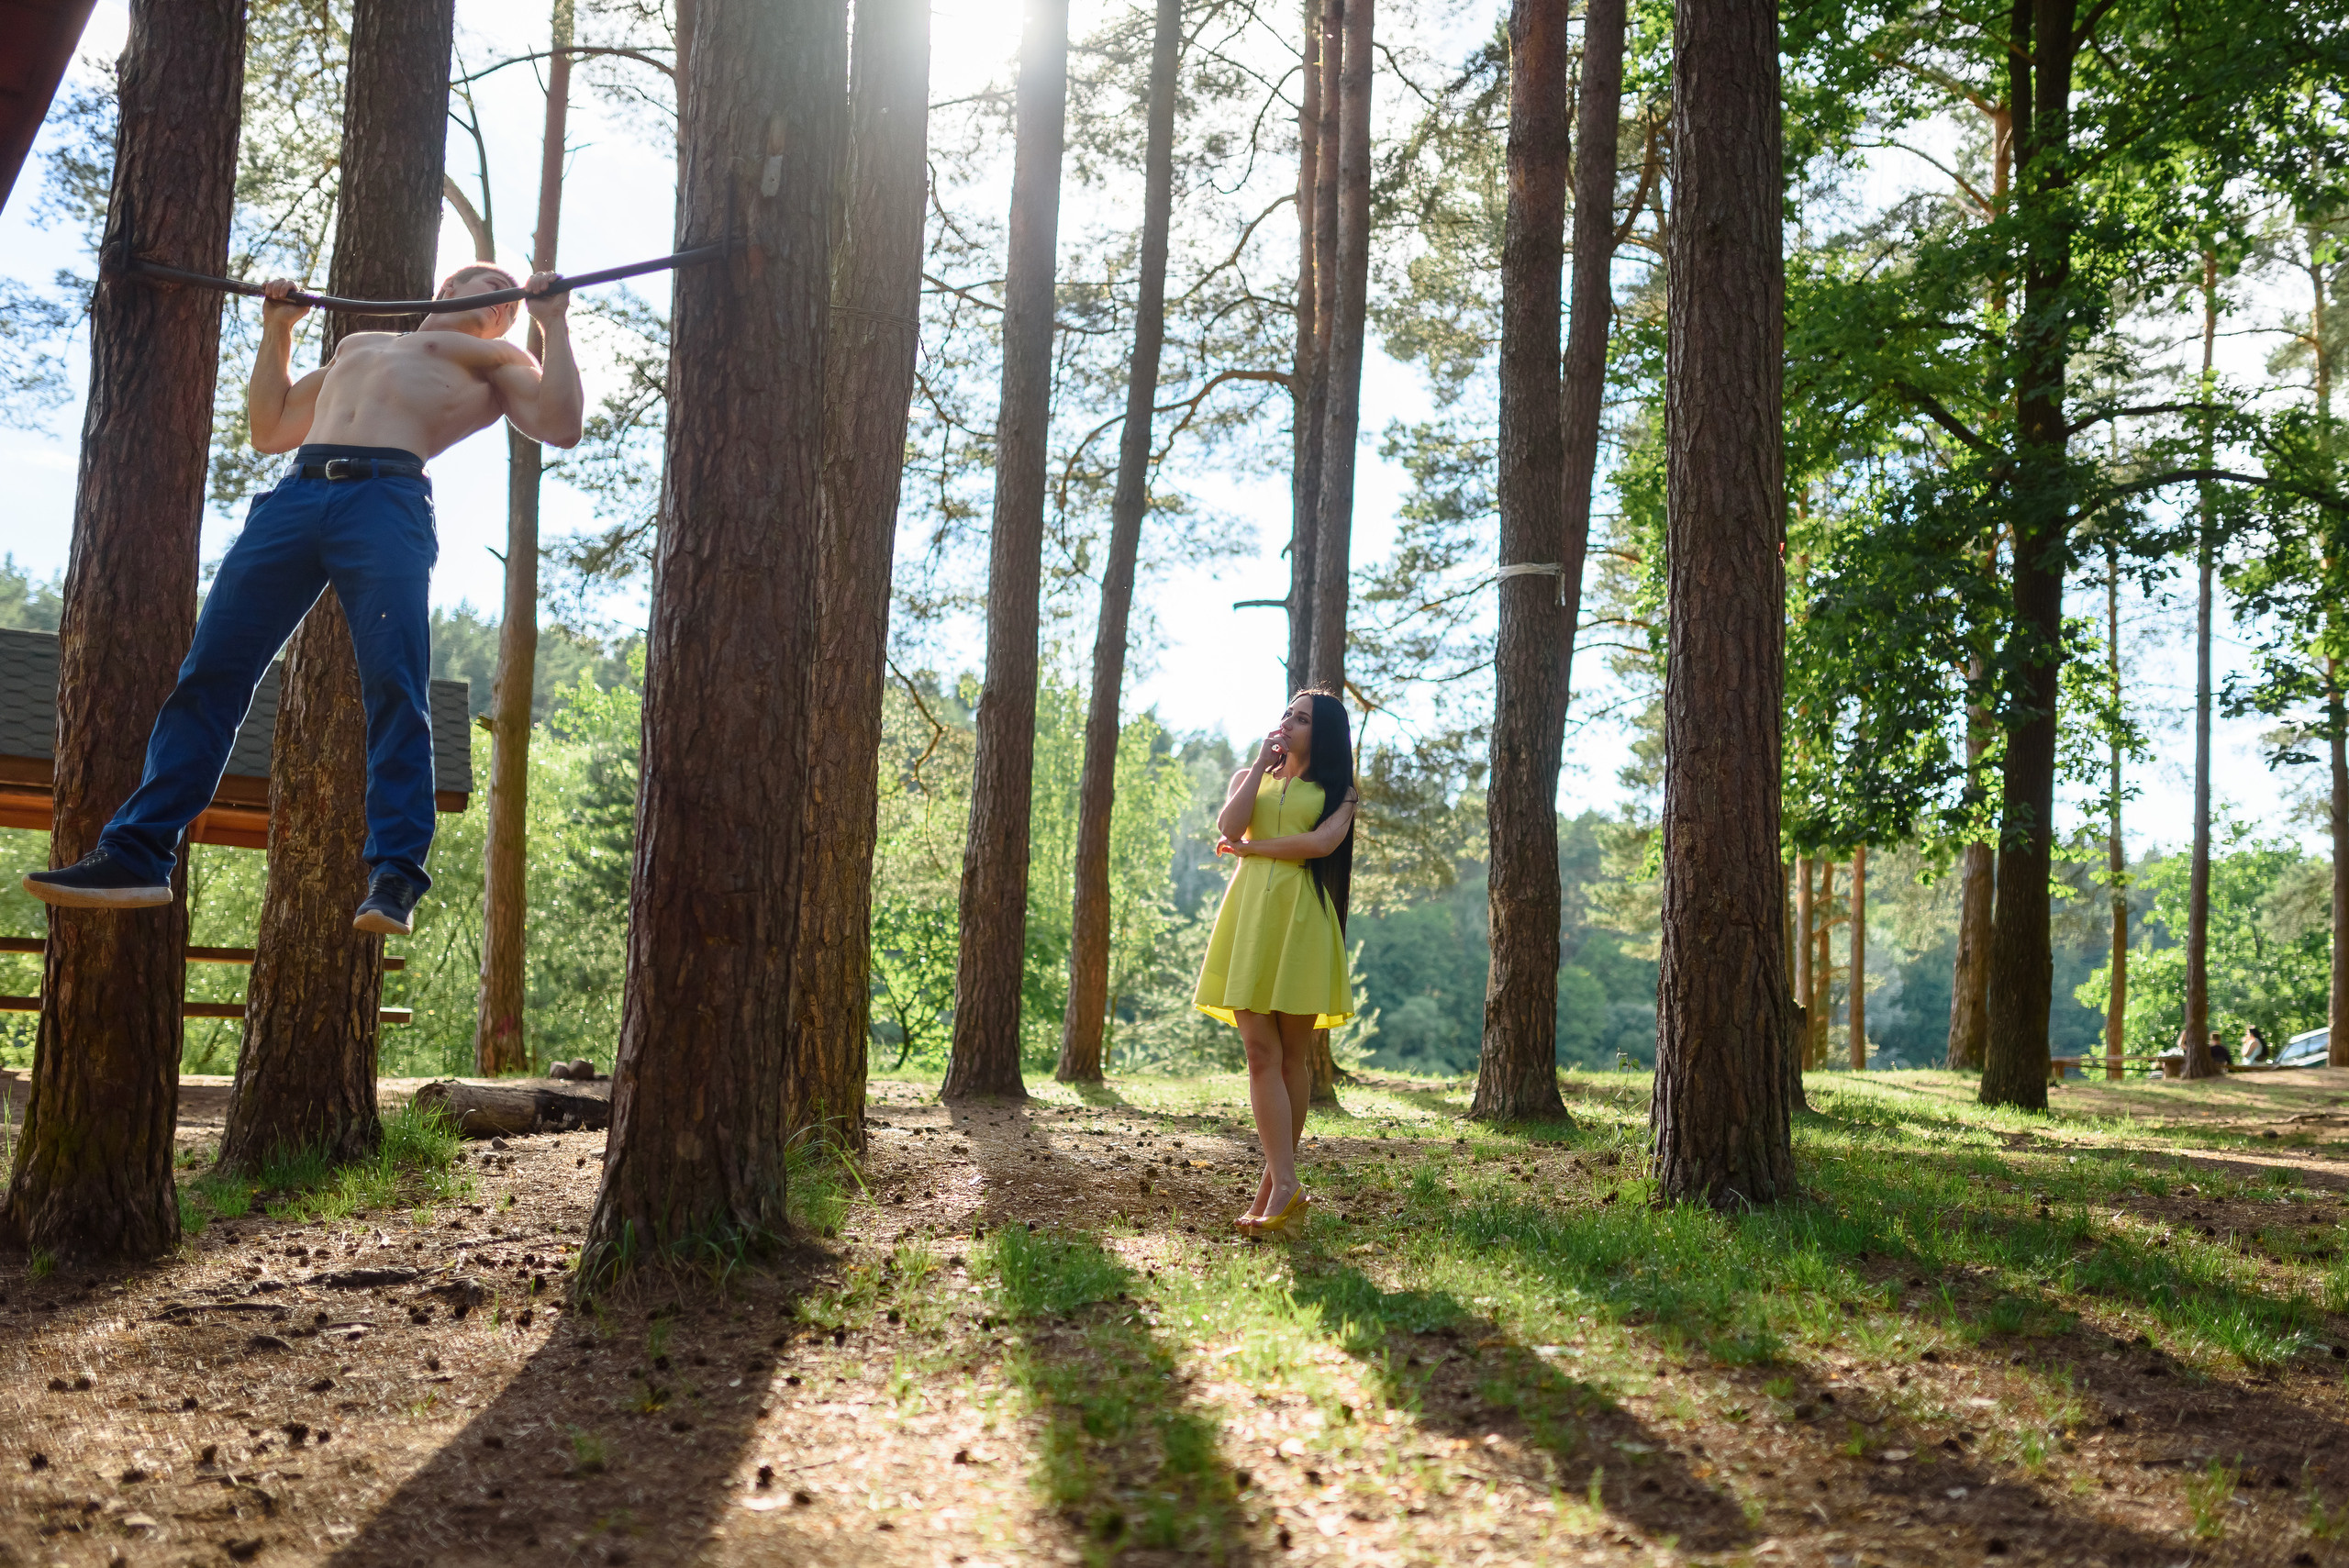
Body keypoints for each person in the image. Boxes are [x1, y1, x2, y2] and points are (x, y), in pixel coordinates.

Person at [21, 263, 584, 936]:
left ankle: (396, 873)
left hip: (387, 499)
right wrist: (278, 332)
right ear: (447, 289)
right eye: (485, 279)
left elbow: (560, 424)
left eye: (510, 298)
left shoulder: (496, 355)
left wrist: (553, 322)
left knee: (394, 684)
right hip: (295, 496)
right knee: (210, 675)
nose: (503, 296)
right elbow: (272, 426)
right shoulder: (359, 344)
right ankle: (137, 852)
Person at [1193, 690, 1358, 1237]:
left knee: (1292, 1060)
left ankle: (1274, 1188)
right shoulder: (1251, 773)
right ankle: (1285, 1184)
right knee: (1259, 1053)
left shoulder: (1340, 791)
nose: (1288, 721)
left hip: (1301, 923)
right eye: (1288, 712)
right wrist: (1262, 766)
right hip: (1248, 919)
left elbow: (1319, 844)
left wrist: (1254, 851)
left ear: (1324, 732)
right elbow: (1229, 829)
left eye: (1302, 717)